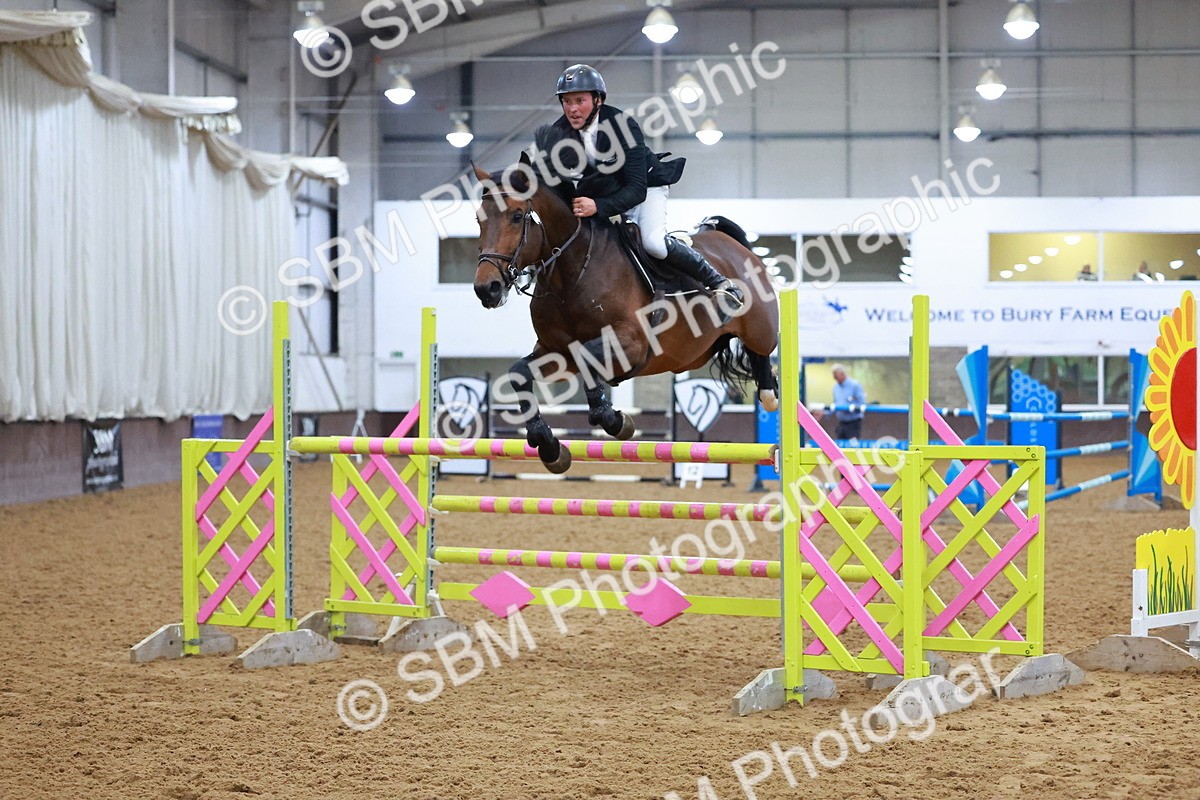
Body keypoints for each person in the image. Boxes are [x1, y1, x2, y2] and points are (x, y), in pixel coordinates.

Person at [529, 64, 743, 309]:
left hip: (645, 189)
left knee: (653, 243)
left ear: (598, 100)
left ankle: (719, 283)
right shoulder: (559, 133)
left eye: (580, 100)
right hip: (605, 195)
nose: (573, 109)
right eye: (566, 101)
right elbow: (542, 175)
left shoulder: (622, 125)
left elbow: (636, 189)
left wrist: (597, 206)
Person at [830, 364, 866, 441]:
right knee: (839, 445)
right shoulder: (836, 387)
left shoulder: (855, 385)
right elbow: (836, 402)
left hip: (853, 422)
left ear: (842, 374)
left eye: (836, 376)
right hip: (841, 422)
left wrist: (850, 408)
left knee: (853, 446)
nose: (835, 378)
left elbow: (862, 402)